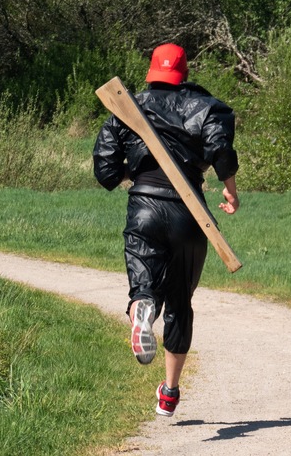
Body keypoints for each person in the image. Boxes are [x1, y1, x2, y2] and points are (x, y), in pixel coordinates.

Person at [93, 43, 239, 417]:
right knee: (180, 304)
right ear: (184, 73)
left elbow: (105, 172)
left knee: (145, 287)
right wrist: (230, 189)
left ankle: (143, 305)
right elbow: (221, 150)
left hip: (144, 208)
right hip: (190, 214)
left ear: (152, 71)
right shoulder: (206, 106)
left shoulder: (126, 107)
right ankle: (170, 391)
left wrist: (135, 174)